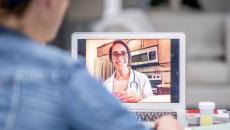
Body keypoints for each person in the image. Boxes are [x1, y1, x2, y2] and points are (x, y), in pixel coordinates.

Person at [0, 0, 183, 130]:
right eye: (115, 54)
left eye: (123, 54)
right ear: (50, 2)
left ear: (128, 57)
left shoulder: (142, 79)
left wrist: (138, 99)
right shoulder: (63, 75)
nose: (119, 57)